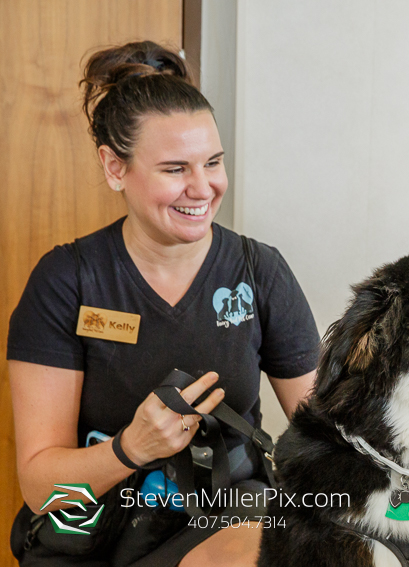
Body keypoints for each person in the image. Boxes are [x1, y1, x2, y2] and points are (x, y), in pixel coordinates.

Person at [7, 41, 320, 566]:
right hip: (97, 530)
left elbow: (327, 433)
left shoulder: (259, 271)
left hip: (226, 518)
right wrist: (131, 448)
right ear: (114, 167)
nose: (203, 188)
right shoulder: (66, 281)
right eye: (175, 169)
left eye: (214, 162)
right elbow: (43, 491)